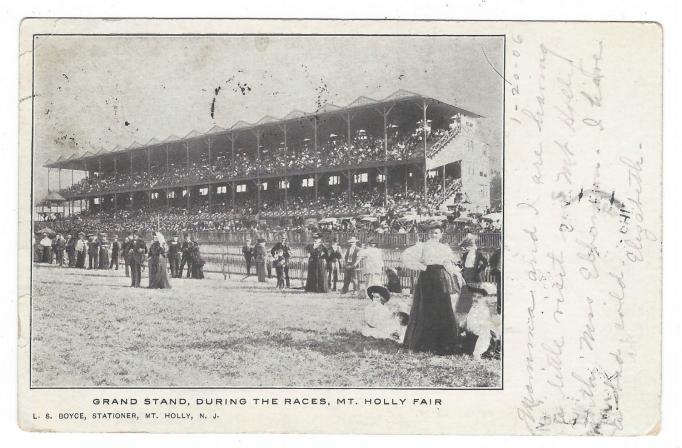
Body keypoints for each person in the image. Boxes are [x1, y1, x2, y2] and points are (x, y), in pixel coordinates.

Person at [401, 224, 459, 355]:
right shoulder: (422, 246)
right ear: (428, 234)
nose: (434, 235)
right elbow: (406, 256)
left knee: (442, 305)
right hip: (427, 278)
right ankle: (423, 343)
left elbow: (448, 264)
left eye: (437, 233)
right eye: (432, 233)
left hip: (440, 277)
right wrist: (422, 267)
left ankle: (443, 344)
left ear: (441, 234)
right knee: (425, 306)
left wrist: (456, 273)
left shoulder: (445, 248)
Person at [489, 248, 502, 314]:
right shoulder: (498, 251)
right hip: (500, 273)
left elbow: (491, 260)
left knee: (500, 290)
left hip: (500, 272)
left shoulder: (498, 251)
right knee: (500, 290)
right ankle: (500, 308)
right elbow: (491, 260)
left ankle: (500, 309)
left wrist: (494, 267)